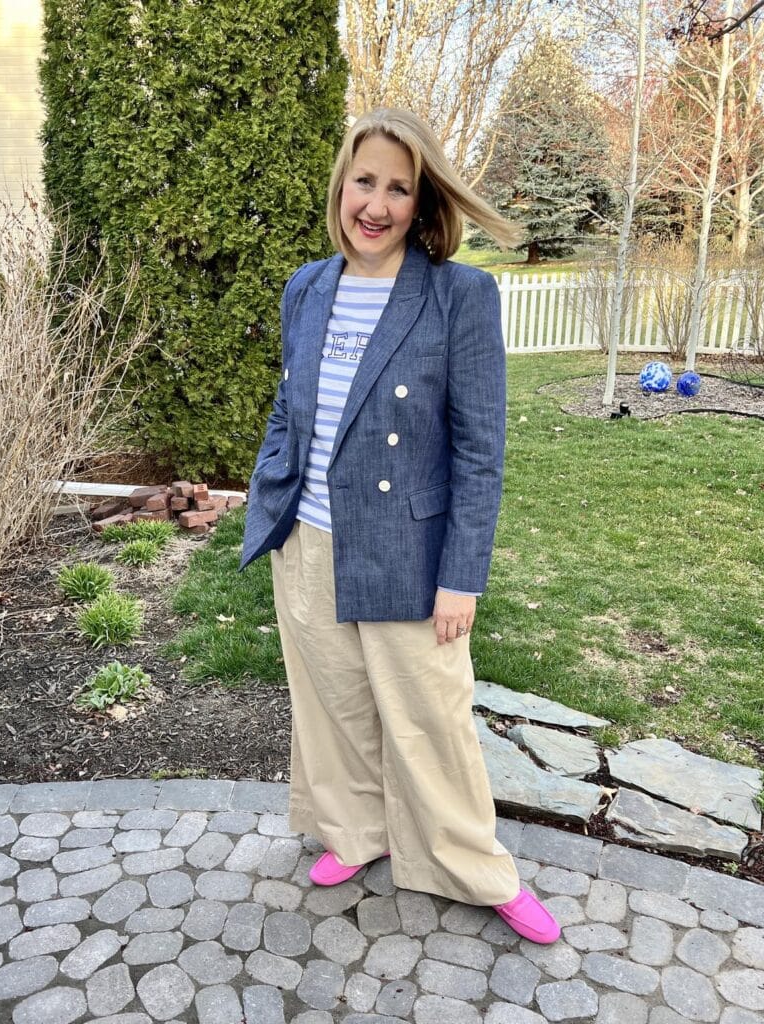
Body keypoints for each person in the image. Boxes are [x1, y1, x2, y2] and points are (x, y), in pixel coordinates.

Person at [240, 108, 560, 945]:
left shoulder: (458, 294)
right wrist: (268, 493)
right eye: (363, 181)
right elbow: (289, 406)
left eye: (397, 187)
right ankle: (355, 832)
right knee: (332, 707)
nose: (374, 203)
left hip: (409, 549)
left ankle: (476, 868)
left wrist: (462, 577)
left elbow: (478, 449)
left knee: (431, 721)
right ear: (340, 187)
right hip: (307, 541)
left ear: (420, 205)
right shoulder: (307, 286)